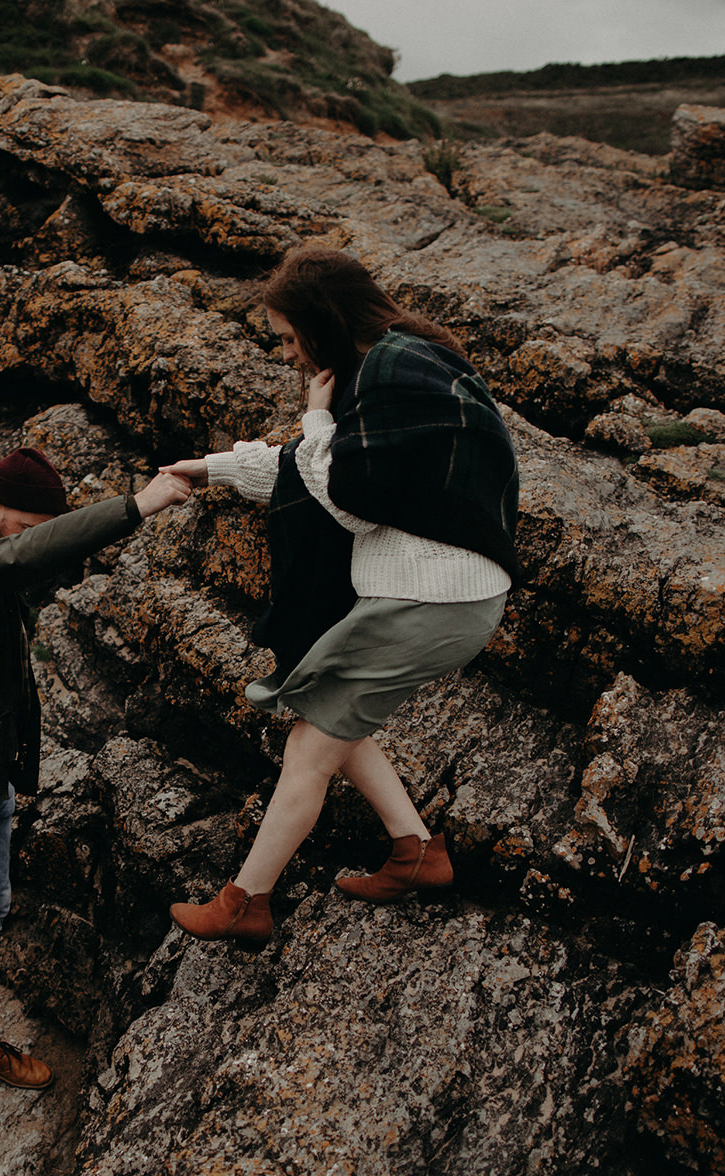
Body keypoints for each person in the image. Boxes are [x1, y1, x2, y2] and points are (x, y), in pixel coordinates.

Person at [160, 246, 520, 945]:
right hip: (441, 595)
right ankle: (417, 852)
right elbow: (310, 471)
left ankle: (246, 902)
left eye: (292, 340)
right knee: (331, 709)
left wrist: (317, 419)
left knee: (309, 744)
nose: (291, 356)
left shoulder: (388, 375)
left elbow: (349, 501)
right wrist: (210, 469)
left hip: (431, 599)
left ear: (321, 326)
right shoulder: (397, 364)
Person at [0, 446, 192, 1144]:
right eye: (19, 527)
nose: (26, 542)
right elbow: (23, 559)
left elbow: (32, 558)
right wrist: (141, 503)